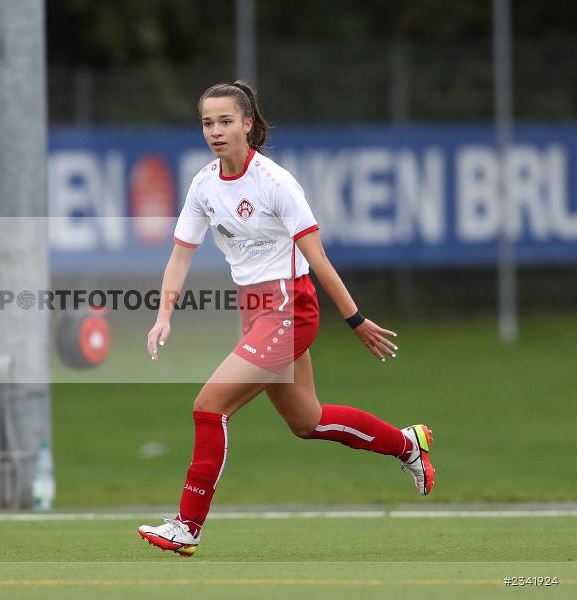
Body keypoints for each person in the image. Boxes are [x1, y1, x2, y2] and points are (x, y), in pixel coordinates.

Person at [137, 81, 434, 557]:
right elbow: (180, 254)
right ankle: (407, 444)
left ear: (247, 124)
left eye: (225, 121)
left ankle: (187, 526)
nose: (215, 131)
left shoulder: (275, 183)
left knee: (209, 406)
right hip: (255, 311)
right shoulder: (203, 184)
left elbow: (318, 260)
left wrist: (356, 320)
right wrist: (163, 315)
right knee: (307, 421)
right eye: (208, 123)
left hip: (289, 309)